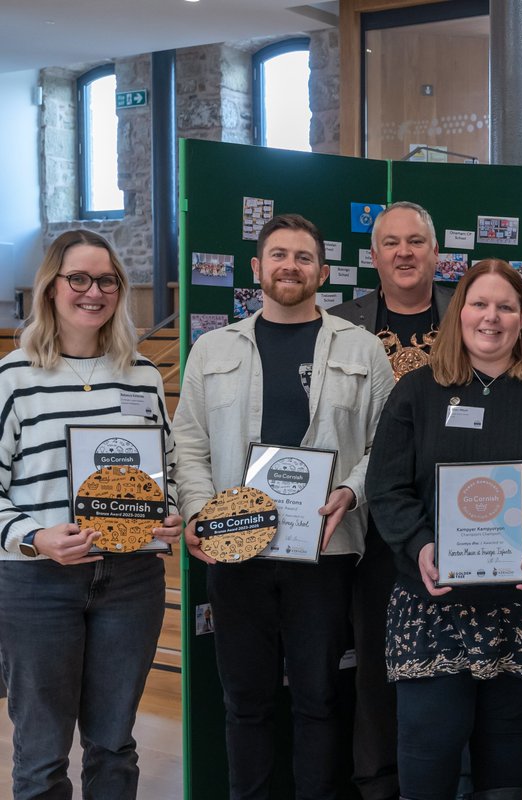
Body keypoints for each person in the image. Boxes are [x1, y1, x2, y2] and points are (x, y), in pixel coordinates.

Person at [366, 259, 522, 800]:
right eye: (478, 303)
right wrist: (420, 544)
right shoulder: (418, 390)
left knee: (508, 741)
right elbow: (387, 484)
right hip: (434, 599)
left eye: (505, 306)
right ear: (459, 313)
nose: (490, 317)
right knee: (429, 744)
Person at [174, 213, 394, 799]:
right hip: (236, 546)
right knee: (246, 701)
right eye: (278, 255)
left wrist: (350, 491)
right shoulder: (212, 349)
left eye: (302, 257)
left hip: (325, 549)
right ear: (257, 268)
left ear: (322, 271)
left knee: (321, 698)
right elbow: (188, 443)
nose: (289, 266)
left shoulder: (363, 349)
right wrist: (198, 514)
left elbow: (386, 445)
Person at [0, 229, 183, 799]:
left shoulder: (144, 377)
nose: (93, 291)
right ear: (52, 287)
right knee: (42, 754)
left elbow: (168, 472)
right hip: (38, 584)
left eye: (106, 280)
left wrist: (168, 514)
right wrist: (34, 537)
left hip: (130, 582)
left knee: (113, 746)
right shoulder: (15, 377)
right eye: (77, 278)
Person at [329, 200, 455, 800]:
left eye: (416, 242)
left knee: (456, 661)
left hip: (458, 520)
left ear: (437, 253)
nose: (404, 253)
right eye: (390, 243)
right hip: (371, 523)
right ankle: (377, 783)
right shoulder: (340, 326)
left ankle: (449, 782)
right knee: (376, 661)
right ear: (373, 255)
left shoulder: (472, 313)